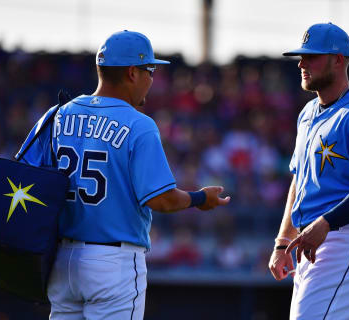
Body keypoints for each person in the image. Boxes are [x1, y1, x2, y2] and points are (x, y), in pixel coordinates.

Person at [16, 30, 230, 320]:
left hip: (62, 260)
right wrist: (199, 198)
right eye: (150, 70)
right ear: (132, 72)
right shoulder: (139, 125)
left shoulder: (57, 115)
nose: (152, 79)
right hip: (112, 262)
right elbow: (162, 200)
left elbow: (23, 177)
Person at [268, 23, 349, 319]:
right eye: (302, 57)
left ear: (338, 60)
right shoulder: (307, 113)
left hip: (346, 239)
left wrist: (325, 223)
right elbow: (298, 182)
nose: (301, 63)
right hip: (314, 243)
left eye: (311, 56)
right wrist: (283, 241)